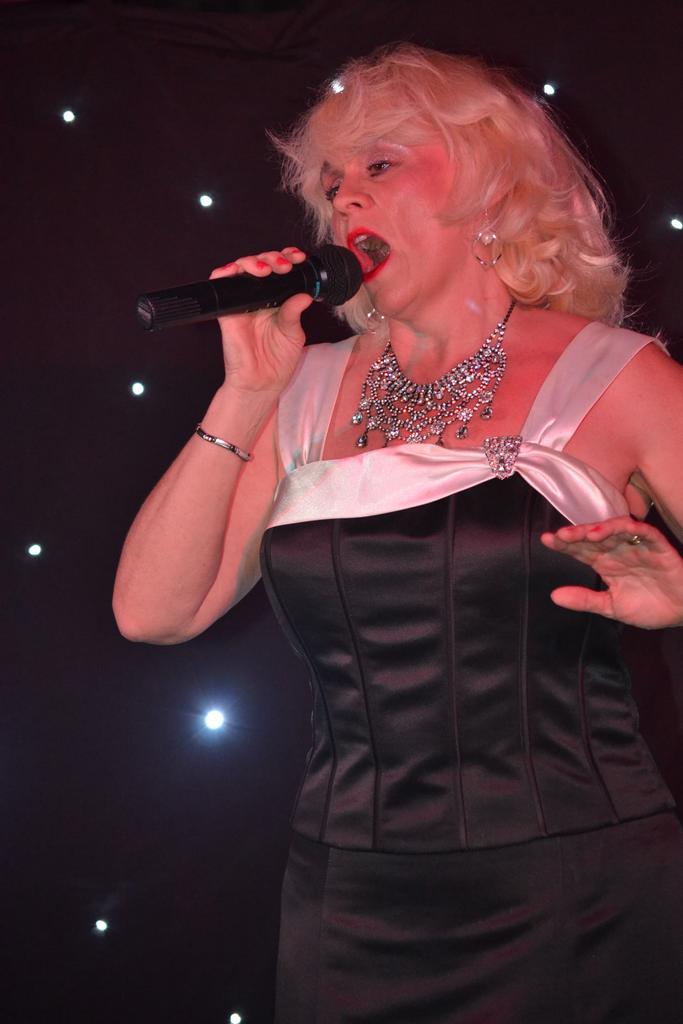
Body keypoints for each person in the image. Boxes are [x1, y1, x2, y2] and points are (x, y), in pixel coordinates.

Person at [113, 43, 683, 1024]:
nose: (346, 198)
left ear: (491, 182)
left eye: (380, 163)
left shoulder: (614, 376)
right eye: (332, 182)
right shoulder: (300, 390)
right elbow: (152, 613)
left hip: (574, 896)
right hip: (348, 902)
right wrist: (244, 393)